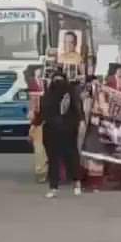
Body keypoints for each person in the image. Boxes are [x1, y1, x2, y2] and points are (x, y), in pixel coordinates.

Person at [35, 70, 83, 198]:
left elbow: (77, 112)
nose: (58, 83)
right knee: (53, 160)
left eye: (60, 80)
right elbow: (41, 113)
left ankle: (76, 183)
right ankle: (53, 187)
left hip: (68, 130)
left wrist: (76, 124)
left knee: (71, 158)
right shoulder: (47, 96)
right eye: (55, 80)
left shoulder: (71, 95)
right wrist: (35, 125)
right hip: (51, 131)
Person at [25, 66, 47, 184]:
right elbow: (33, 104)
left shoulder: (43, 82)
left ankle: (42, 171)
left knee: (41, 147)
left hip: (41, 119)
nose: (40, 71)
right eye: (38, 70)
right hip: (38, 119)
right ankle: (40, 172)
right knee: (39, 147)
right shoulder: (33, 83)